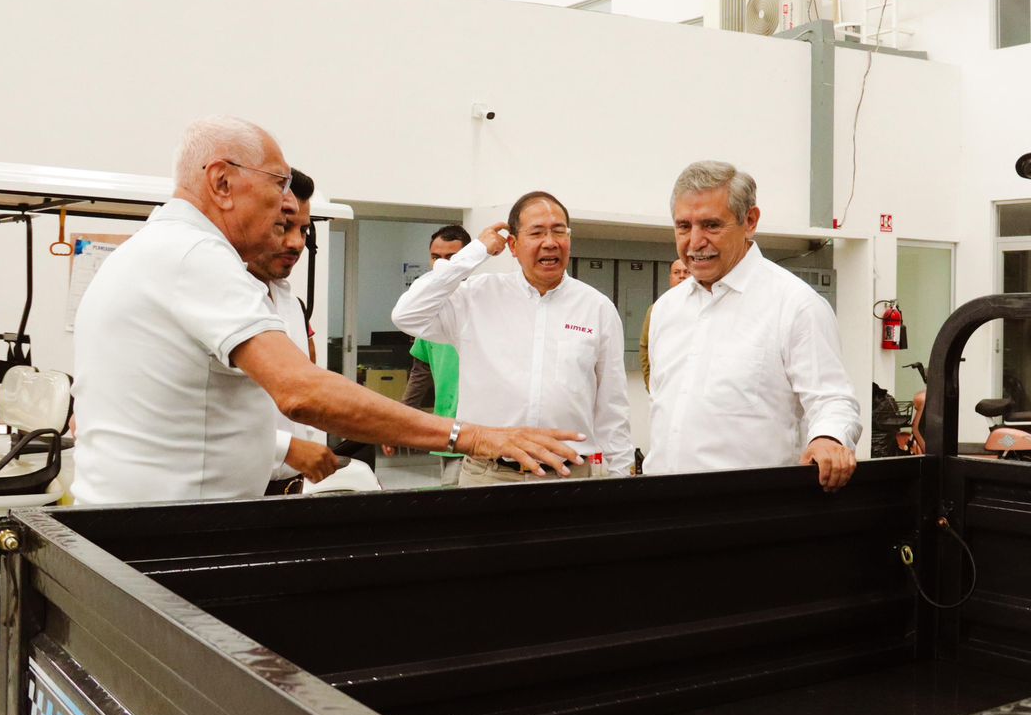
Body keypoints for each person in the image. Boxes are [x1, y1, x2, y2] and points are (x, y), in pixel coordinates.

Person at [72, 116, 584, 506]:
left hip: (154, 518)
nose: (284, 206)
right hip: (172, 530)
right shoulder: (194, 256)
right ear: (222, 183)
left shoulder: (160, 249)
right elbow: (302, 392)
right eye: (277, 184)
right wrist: (471, 435)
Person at [644, 161, 861, 491]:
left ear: (750, 222)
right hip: (663, 504)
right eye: (684, 226)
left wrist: (828, 438)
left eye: (711, 225)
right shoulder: (666, 310)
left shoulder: (795, 305)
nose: (695, 242)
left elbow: (833, 400)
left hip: (750, 506)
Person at [393, 191, 634, 485]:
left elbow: (612, 408)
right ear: (513, 245)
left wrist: (621, 481)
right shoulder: (475, 297)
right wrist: (475, 252)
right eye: (537, 232)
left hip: (570, 476)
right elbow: (406, 314)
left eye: (559, 231)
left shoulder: (596, 308)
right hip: (488, 475)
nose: (550, 242)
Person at [243, 168, 342, 495]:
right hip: (234, 494)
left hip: (289, 487)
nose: (296, 243)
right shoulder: (216, 297)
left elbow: (307, 385)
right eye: (283, 227)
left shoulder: (291, 303)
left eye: (304, 230)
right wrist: (285, 448)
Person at [393, 223, 470, 485]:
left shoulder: (482, 302)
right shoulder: (430, 310)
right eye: (436, 257)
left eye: (451, 258)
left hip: (480, 430)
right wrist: (399, 424)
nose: (441, 265)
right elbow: (420, 372)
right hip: (447, 432)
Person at [638, 259, 690, 391]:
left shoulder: (705, 307)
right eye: (676, 272)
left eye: (687, 272)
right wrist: (650, 383)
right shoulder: (657, 309)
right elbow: (645, 346)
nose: (682, 276)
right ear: (670, 277)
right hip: (665, 386)